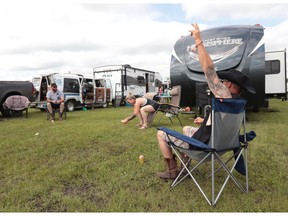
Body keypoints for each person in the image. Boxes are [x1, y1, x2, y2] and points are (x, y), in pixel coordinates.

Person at [156, 23, 256, 180]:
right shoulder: (237, 103)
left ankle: (173, 171)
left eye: (225, 81)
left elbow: (209, 69)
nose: (222, 82)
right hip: (224, 145)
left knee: (161, 134)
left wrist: (198, 40)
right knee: (187, 129)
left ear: (231, 85)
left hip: (206, 148)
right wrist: (205, 119)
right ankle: (184, 169)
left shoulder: (225, 95)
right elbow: (224, 123)